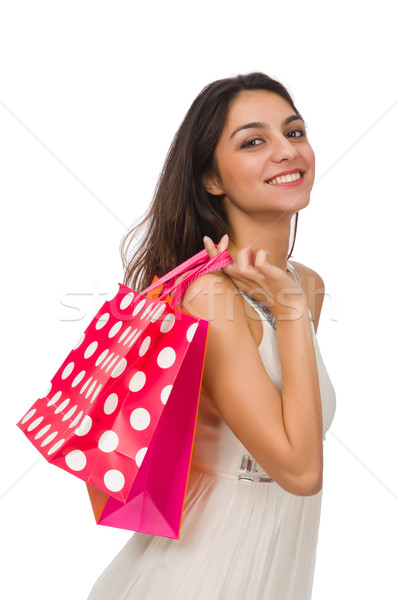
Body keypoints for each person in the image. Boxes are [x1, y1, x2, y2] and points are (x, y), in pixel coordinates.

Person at [87, 72, 336, 600]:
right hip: (201, 577)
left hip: (273, 571)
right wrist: (288, 314)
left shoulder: (306, 285)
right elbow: (299, 469)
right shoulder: (209, 297)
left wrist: (291, 305)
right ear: (212, 180)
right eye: (253, 141)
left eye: (294, 132)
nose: (286, 151)